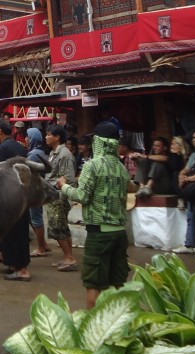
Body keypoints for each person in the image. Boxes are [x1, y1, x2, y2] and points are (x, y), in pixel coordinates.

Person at [57, 122, 133, 309]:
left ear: (98, 142)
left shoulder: (93, 166)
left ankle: (93, 332)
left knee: (94, 284)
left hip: (99, 234)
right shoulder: (122, 169)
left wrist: (64, 186)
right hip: (120, 233)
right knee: (117, 284)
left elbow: (82, 196)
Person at [0, 117, 33, 282]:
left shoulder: (3, 148)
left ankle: (22, 269)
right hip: (22, 195)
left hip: (9, 197)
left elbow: (0, 174)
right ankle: (13, 265)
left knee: (13, 232)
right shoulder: (19, 146)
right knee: (17, 232)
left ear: (0, 131)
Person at [44, 125, 78, 272]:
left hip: (59, 196)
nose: (46, 137)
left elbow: (68, 177)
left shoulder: (64, 154)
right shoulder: (53, 152)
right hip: (54, 194)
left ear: (57, 137)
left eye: (49, 134)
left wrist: (61, 194)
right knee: (62, 227)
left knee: (58, 227)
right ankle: (68, 256)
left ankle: (70, 258)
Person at [26, 126, 51, 258]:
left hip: (36, 189)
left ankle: (41, 247)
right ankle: (44, 244)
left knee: (36, 218)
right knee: (33, 217)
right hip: (36, 188)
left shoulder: (35, 154)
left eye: (28, 137)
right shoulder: (38, 152)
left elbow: (27, 170)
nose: (26, 139)